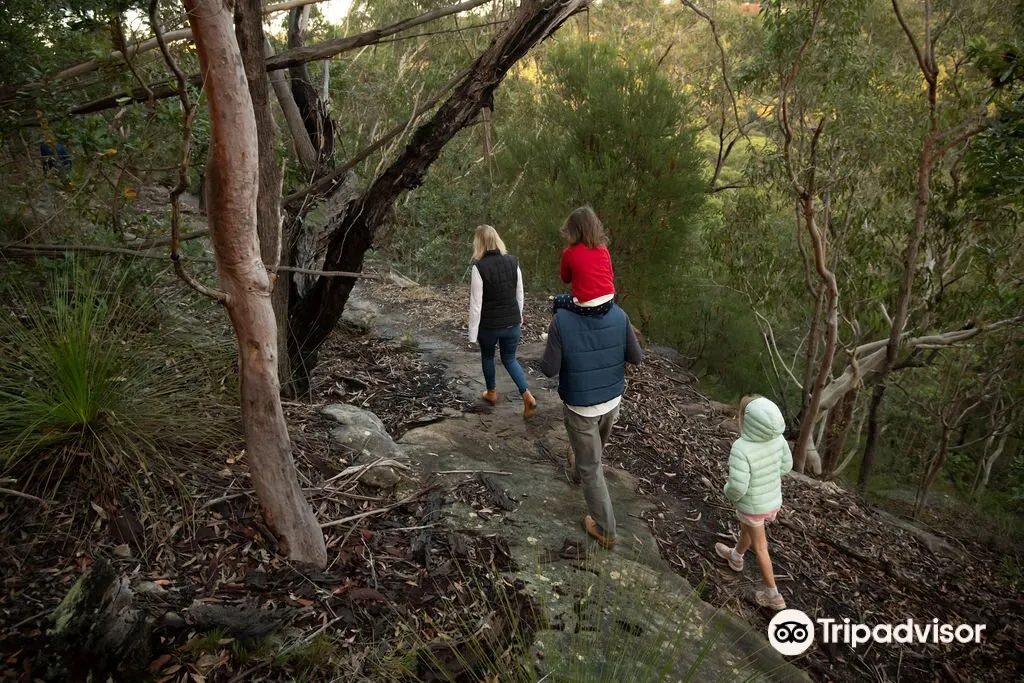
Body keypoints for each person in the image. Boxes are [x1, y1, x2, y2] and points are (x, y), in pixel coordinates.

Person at [539, 297, 643, 548]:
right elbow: (636, 357)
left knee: (591, 468)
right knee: (590, 456)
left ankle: (606, 529)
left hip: (581, 407)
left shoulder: (561, 319)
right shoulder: (619, 314)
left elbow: (549, 369)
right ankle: (576, 472)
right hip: (611, 401)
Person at [714, 395, 793, 611]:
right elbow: (786, 467)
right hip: (771, 500)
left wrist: (728, 493)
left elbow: (738, 487)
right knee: (748, 530)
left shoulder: (742, 448)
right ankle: (736, 556)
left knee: (761, 547)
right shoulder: (779, 439)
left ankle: (773, 595)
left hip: (753, 504)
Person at [468, 225, 537, 419]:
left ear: (479, 243)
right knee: (509, 359)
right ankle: (527, 395)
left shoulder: (479, 267)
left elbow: (476, 304)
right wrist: (519, 317)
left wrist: (472, 334)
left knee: (488, 356)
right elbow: (520, 294)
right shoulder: (512, 262)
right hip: (512, 324)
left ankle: (491, 393)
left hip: (489, 326)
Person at [552, 206, 616, 318]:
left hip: (586, 305)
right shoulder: (603, 248)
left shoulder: (569, 253)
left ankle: (555, 334)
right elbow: (610, 275)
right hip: (609, 301)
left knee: (557, 301)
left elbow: (565, 279)